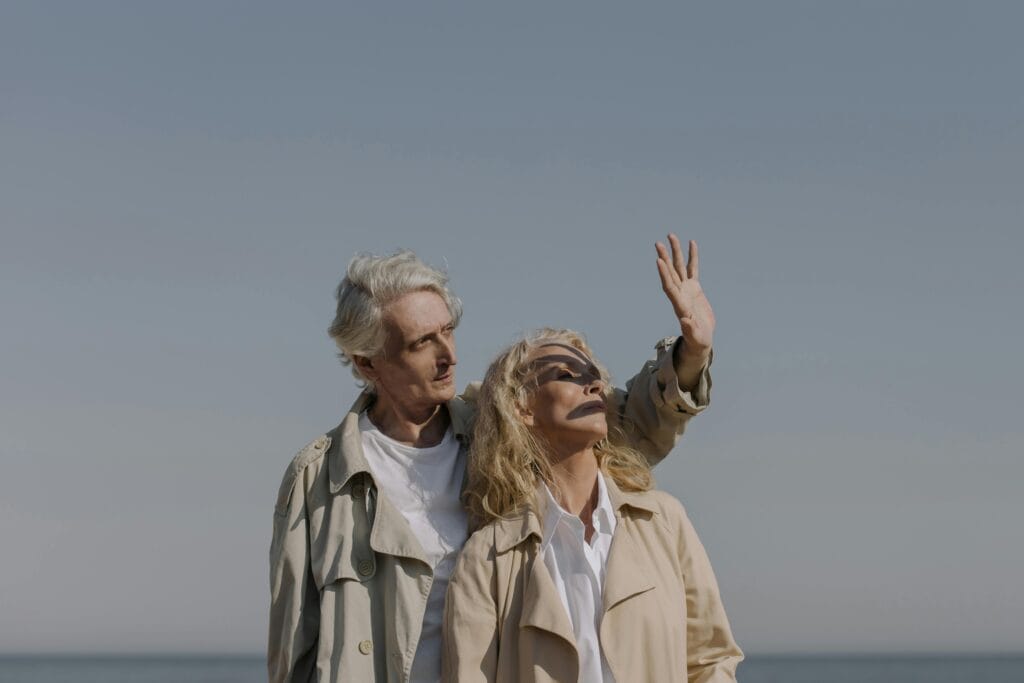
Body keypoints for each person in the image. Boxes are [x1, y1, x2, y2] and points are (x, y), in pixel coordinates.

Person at [268, 235, 715, 682]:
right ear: (368, 364)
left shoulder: (495, 428)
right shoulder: (320, 477)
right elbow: (294, 645)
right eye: (422, 342)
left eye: (448, 331)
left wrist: (691, 353)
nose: (449, 355)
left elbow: (623, 423)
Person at [442, 327, 742, 682]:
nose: (595, 385)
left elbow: (711, 659)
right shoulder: (487, 558)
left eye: (595, 376)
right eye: (567, 375)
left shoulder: (664, 521)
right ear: (522, 407)